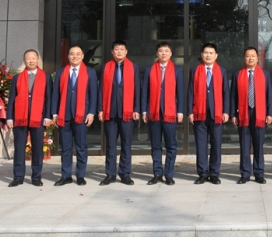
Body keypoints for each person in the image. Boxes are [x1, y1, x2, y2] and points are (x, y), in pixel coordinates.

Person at [51, 45, 98, 186]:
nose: (75, 56)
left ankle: (80, 175)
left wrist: (91, 113)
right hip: (64, 115)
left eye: (78, 54)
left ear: (83, 56)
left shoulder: (90, 72)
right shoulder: (61, 72)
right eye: (72, 54)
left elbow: (93, 94)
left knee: (81, 147)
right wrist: (54, 113)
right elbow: (55, 94)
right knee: (65, 148)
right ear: (68, 56)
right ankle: (66, 176)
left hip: (81, 115)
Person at [6, 49, 52, 187]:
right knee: (19, 148)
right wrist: (9, 117)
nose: (31, 61)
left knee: (37, 149)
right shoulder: (17, 78)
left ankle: (36, 177)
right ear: (24, 60)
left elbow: (49, 99)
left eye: (33, 58)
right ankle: (18, 177)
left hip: (39, 118)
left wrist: (48, 116)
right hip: (20, 118)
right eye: (28, 58)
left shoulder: (46, 77)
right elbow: (12, 99)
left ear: (38, 60)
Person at [97, 40, 140, 186]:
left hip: (127, 112)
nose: (119, 51)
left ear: (126, 51)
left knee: (126, 144)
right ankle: (110, 174)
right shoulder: (106, 67)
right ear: (112, 51)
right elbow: (101, 89)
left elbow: (137, 90)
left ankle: (125, 174)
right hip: (110, 111)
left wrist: (136, 109)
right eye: (116, 49)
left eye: (122, 49)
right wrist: (100, 109)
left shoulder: (134, 67)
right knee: (110, 145)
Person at [141, 41, 185, 186]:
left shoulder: (177, 70)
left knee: (171, 145)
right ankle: (157, 174)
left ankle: (169, 174)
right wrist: (144, 110)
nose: (163, 53)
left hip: (170, 112)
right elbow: (144, 92)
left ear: (171, 53)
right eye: (161, 51)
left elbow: (180, 92)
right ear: (157, 53)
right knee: (155, 145)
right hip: (154, 112)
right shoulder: (149, 69)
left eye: (166, 51)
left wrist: (180, 111)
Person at [230, 47, 272, 184]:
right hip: (243, 113)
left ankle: (259, 173)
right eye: (248, 56)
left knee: (258, 145)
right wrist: (233, 114)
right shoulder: (237, 74)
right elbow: (233, 96)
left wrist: (270, 113)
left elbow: (269, 95)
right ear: (244, 58)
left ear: (257, 58)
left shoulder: (265, 74)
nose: (250, 58)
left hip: (260, 113)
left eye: (253, 56)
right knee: (244, 144)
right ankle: (245, 174)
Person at [187, 42, 230, 185]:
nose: (208, 55)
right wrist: (190, 111)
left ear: (216, 55)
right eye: (206, 53)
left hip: (216, 114)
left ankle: (214, 173)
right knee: (201, 145)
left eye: (211, 53)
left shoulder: (222, 71)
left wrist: (226, 111)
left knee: (216, 144)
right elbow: (190, 92)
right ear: (201, 54)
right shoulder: (195, 70)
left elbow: (226, 93)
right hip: (199, 113)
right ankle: (202, 173)